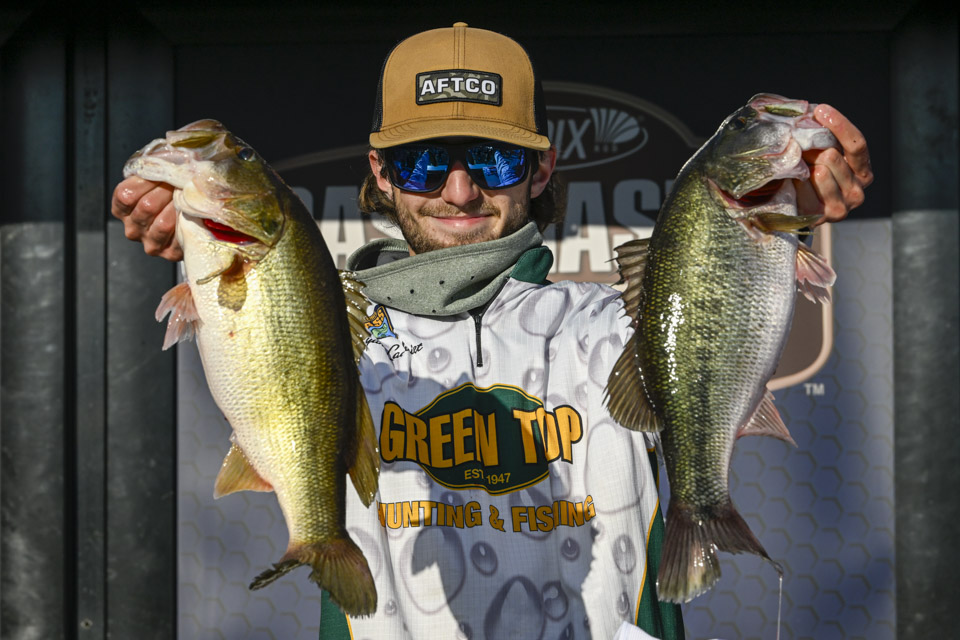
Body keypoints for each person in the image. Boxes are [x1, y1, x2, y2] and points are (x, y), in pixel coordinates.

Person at [111, 22, 873, 640]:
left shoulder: (616, 328)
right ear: (380, 173)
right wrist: (205, 242)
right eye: (422, 163)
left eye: (492, 160)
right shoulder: (336, 339)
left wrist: (783, 212)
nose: (459, 189)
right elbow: (265, 322)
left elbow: (713, 305)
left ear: (540, 171)